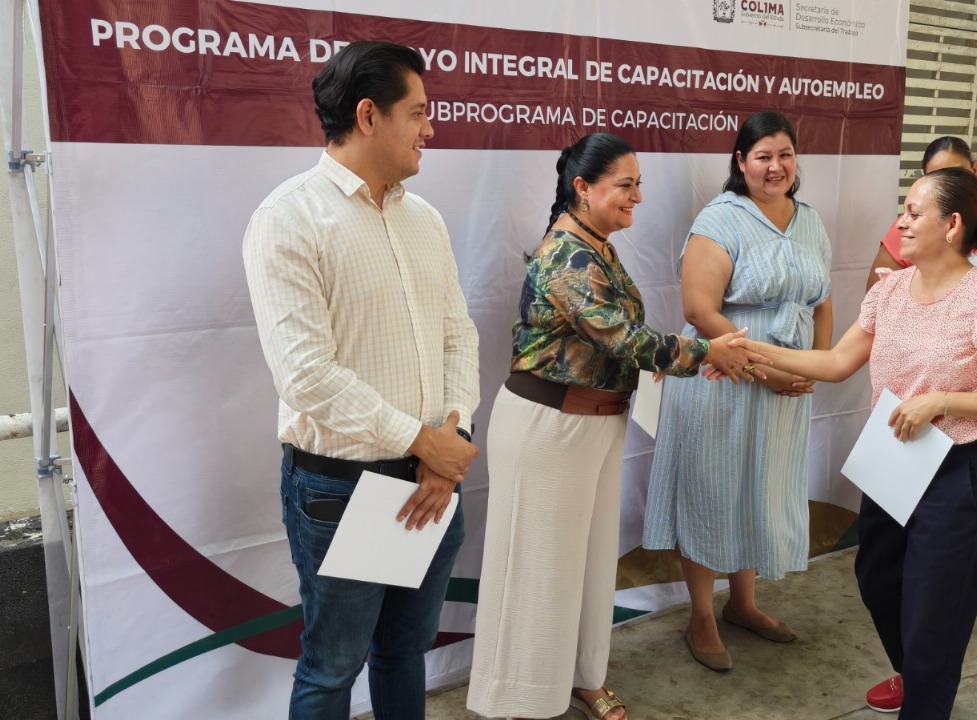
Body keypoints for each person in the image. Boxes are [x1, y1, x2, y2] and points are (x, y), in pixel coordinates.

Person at [466, 133, 764, 720]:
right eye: (625, 185)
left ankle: (582, 677)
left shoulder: (596, 245)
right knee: (538, 572)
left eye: (638, 184)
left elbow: (619, 343)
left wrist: (681, 359)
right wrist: (707, 352)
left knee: (591, 564)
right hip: (549, 429)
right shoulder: (567, 255)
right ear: (583, 188)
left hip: (596, 424)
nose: (638, 197)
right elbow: (622, 336)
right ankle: (523, 701)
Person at [729, 166, 977, 717]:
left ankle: (925, 692)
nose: (902, 222)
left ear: (952, 225)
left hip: (960, 473)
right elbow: (835, 362)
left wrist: (941, 401)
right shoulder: (890, 289)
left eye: (914, 213)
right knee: (878, 580)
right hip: (894, 460)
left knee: (933, 615)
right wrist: (747, 352)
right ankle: (917, 677)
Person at [242, 42, 478, 720]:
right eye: (419, 112)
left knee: (406, 652)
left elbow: (458, 335)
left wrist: (450, 437)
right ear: (369, 115)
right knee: (332, 669)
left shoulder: (423, 218)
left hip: (432, 483)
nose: (430, 128)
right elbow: (305, 375)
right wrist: (423, 442)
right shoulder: (289, 218)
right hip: (341, 491)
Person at [643, 111, 833, 672]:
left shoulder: (809, 220)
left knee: (760, 489)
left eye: (785, 155)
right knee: (713, 491)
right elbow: (700, 311)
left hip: (786, 387)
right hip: (724, 380)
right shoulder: (720, 219)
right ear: (740, 162)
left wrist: (816, 366)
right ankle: (702, 615)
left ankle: (743, 604)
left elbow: (822, 301)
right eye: (763, 156)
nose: (775, 167)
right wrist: (769, 369)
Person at [865, 136, 977, 294]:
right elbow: (877, 295)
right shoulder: (908, 227)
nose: (951, 187)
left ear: (975, 170)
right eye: (939, 178)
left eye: (959, 175)